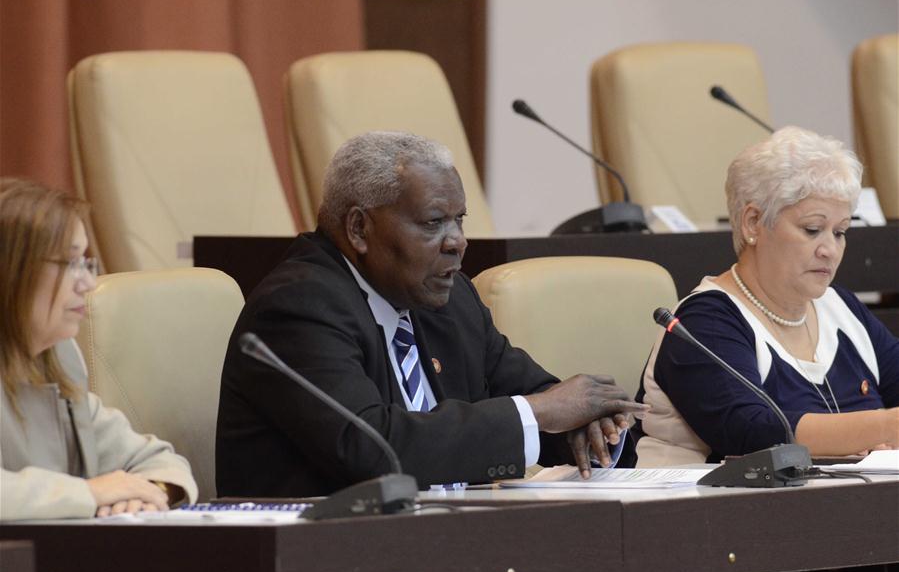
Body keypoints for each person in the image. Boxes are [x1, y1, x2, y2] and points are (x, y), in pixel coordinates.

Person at [216, 131, 648, 497]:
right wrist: (539, 413)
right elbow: (372, 449)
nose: (457, 242)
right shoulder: (298, 306)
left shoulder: (447, 297)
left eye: (460, 220)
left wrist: (588, 429)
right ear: (358, 229)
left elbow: (531, 397)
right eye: (433, 222)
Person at [635, 127, 899, 466]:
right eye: (812, 229)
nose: (830, 250)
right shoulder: (704, 322)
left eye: (840, 232)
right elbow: (753, 433)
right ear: (753, 223)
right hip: (697, 513)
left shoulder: (841, 308)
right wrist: (885, 427)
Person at [1, 178, 197, 520]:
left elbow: (155, 459)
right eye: (71, 263)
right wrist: (90, 493)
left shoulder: (60, 360)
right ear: (13, 271)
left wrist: (148, 493)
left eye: (87, 264)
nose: (89, 283)